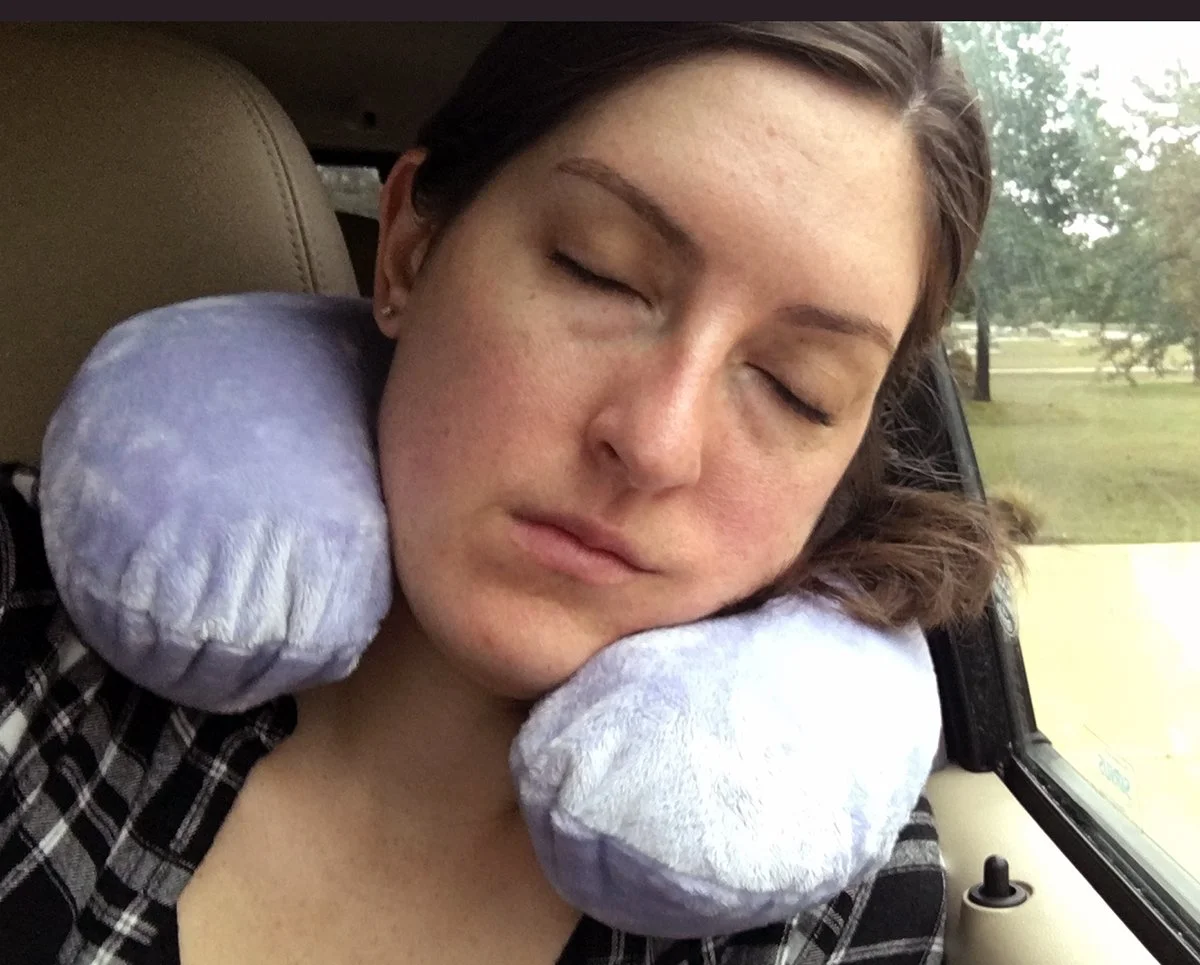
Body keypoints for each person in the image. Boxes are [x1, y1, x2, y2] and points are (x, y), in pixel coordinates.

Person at [0, 22, 1007, 965]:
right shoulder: (23, 612)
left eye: (797, 386)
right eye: (598, 271)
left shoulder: (836, 900)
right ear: (409, 251)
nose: (654, 443)